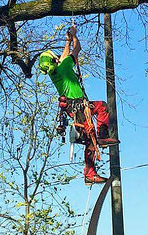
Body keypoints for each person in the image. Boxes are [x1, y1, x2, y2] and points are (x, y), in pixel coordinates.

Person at [39, 26, 119, 185]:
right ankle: (102, 138)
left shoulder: (55, 72)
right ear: (55, 61)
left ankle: (90, 172)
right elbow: (78, 49)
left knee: (89, 138)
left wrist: (67, 41)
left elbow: (63, 57)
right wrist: (74, 37)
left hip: (73, 108)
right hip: (79, 107)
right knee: (102, 107)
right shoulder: (63, 68)